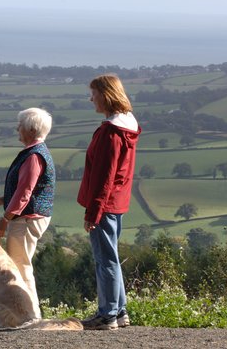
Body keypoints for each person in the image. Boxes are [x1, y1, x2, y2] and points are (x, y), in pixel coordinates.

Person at [78, 74, 141, 330]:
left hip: (104, 206)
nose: (90, 98)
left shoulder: (110, 133)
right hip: (117, 203)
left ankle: (107, 315)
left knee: (105, 261)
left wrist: (93, 212)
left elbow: (103, 176)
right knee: (111, 258)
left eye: (93, 93)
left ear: (105, 95)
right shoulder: (127, 126)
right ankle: (120, 311)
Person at [0, 107, 55, 319]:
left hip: (25, 220)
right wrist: (1, 201)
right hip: (28, 216)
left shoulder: (33, 156)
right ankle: (27, 315)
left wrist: (4, 221)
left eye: (20, 125)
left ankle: (31, 317)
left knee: (20, 266)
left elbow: (24, 193)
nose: (17, 128)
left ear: (31, 129)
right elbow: (25, 192)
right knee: (21, 265)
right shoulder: (36, 152)